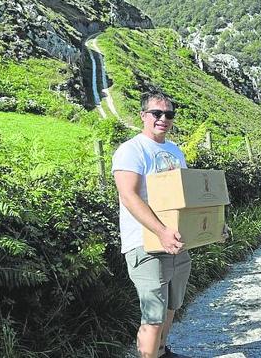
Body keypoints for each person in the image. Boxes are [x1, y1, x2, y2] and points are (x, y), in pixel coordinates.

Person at [112, 91, 191, 358]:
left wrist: (212, 228)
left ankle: (160, 351)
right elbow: (129, 195)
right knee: (153, 315)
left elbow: (185, 197)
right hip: (145, 244)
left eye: (169, 114)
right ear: (143, 116)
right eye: (157, 113)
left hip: (176, 244)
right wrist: (161, 231)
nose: (163, 119)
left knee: (171, 307)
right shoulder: (131, 150)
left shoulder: (174, 151)